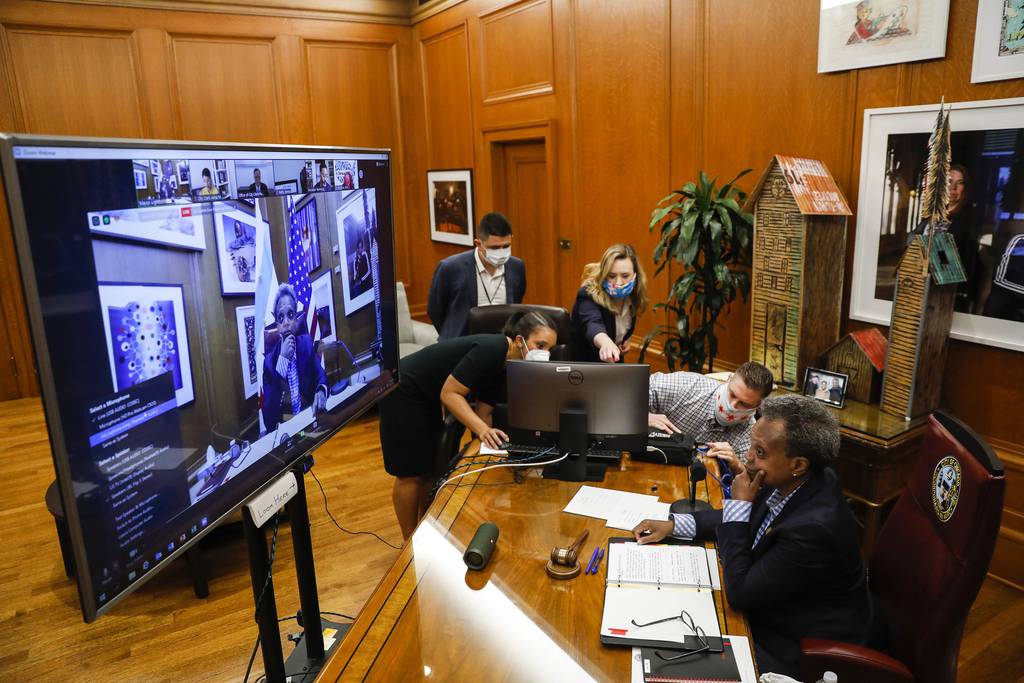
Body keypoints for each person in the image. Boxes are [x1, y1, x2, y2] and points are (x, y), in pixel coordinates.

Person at [632, 395, 876, 677]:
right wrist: (676, 525)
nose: (748, 457)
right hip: (773, 608)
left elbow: (740, 593)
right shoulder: (792, 479)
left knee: (667, 660)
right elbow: (748, 520)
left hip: (796, 644)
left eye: (760, 452)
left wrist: (739, 507)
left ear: (798, 464)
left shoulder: (814, 528)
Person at [379, 311, 558, 539]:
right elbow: (450, 393)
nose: (545, 354)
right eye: (540, 345)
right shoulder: (492, 348)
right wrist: (483, 431)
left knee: (429, 469)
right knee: (409, 474)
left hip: (427, 395)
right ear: (519, 340)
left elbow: (484, 411)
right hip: (402, 390)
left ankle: (423, 531)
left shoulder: (509, 363)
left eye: (550, 348)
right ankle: (408, 541)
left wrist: (488, 450)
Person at [648, 361, 773, 462]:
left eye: (743, 404)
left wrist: (736, 465)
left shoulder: (750, 434)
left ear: (757, 407)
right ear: (728, 380)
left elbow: (750, 481)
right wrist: (641, 416)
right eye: (732, 394)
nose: (731, 406)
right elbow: (630, 388)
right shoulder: (686, 386)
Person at [427, 212, 526, 340]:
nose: (502, 252)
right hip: (459, 345)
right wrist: (452, 333)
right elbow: (435, 310)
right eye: (494, 248)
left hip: (500, 346)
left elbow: (517, 301)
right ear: (478, 244)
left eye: (506, 246)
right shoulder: (450, 267)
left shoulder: (517, 267)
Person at [261, 284, 328, 432]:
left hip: (309, 422)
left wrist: (321, 392)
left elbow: (320, 375)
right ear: (277, 325)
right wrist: (283, 361)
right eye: (281, 317)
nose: (286, 322)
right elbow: (269, 419)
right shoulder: (269, 362)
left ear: (296, 321)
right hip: (286, 430)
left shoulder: (306, 344)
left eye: (290, 315)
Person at [569, 243, 648, 362]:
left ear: (635, 276)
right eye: (612, 276)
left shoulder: (633, 296)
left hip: (613, 363)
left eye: (625, 276)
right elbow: (592, 323)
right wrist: (605, 342)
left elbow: (620, 326)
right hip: (585, 366)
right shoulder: (588, 293)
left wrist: (624, 338)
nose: (619, 283)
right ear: (604, 275)